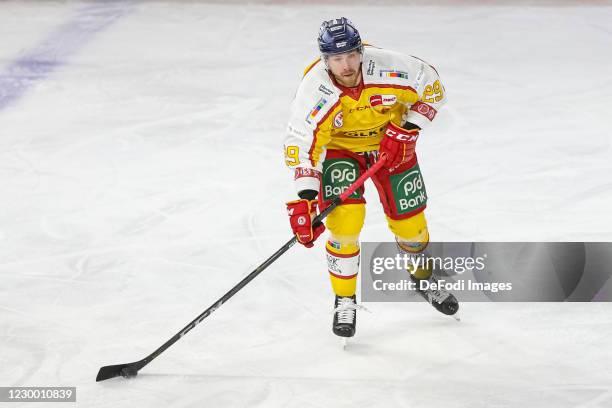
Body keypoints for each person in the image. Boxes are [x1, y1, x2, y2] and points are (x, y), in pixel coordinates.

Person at [283, 17, 458, 339]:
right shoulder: (316, 89)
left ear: (360, 50)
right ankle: (345, 298)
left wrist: (408, 128)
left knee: (412, 224)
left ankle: (423, 279)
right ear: (325, 60)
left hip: (392, 146)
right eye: (337, 59)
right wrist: (307, 199)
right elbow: (300, 141)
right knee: (344, 224)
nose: (346, 65)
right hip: (341, 151)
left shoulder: (392, 68)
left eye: (351, 54)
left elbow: (433, 89)